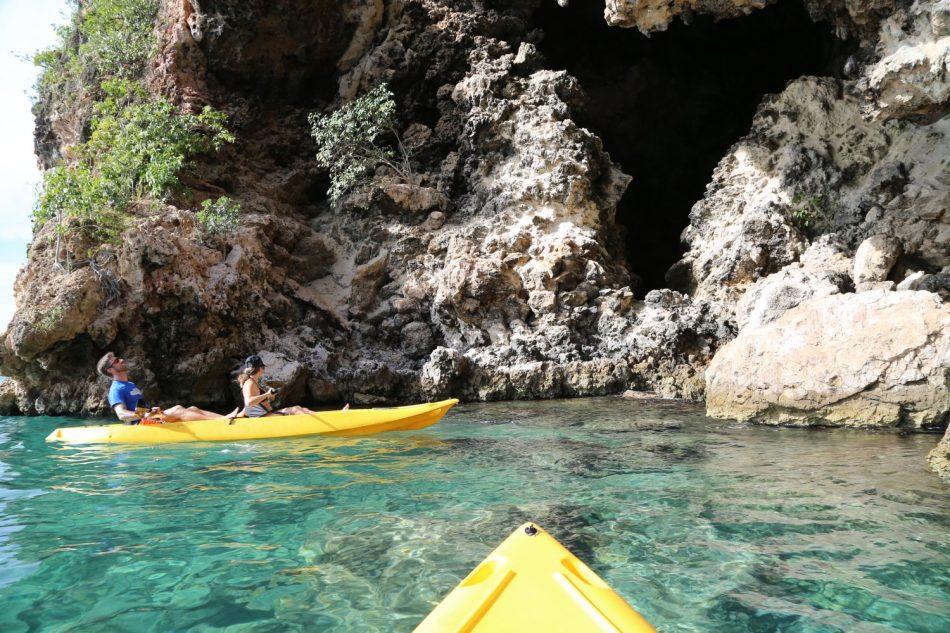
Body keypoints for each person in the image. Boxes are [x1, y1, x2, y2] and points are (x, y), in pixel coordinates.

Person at [97, 352, 236, 424]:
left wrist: (149, 413)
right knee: (179, 410)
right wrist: (145, 414)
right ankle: (222, 422)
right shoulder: (116, 389)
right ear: (110, 370)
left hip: (149, 419)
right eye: (116, 361)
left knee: (192, 408)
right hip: (141, 424)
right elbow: (121, 415)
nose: (121, 360)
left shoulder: (130, 384)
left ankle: (226, 418)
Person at [237, 355, 345, 417]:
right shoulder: (250, 383)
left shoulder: (253, 382)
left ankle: (332, 416)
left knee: (299, 408)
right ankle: (330, 419)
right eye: (262, 367)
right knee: (295, 410)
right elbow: (249, 402)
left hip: (266, 415)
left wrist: (268, 396)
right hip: (263, 419)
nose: (263, 370)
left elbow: (255, 402)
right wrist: (266, 394)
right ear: (259, 368)